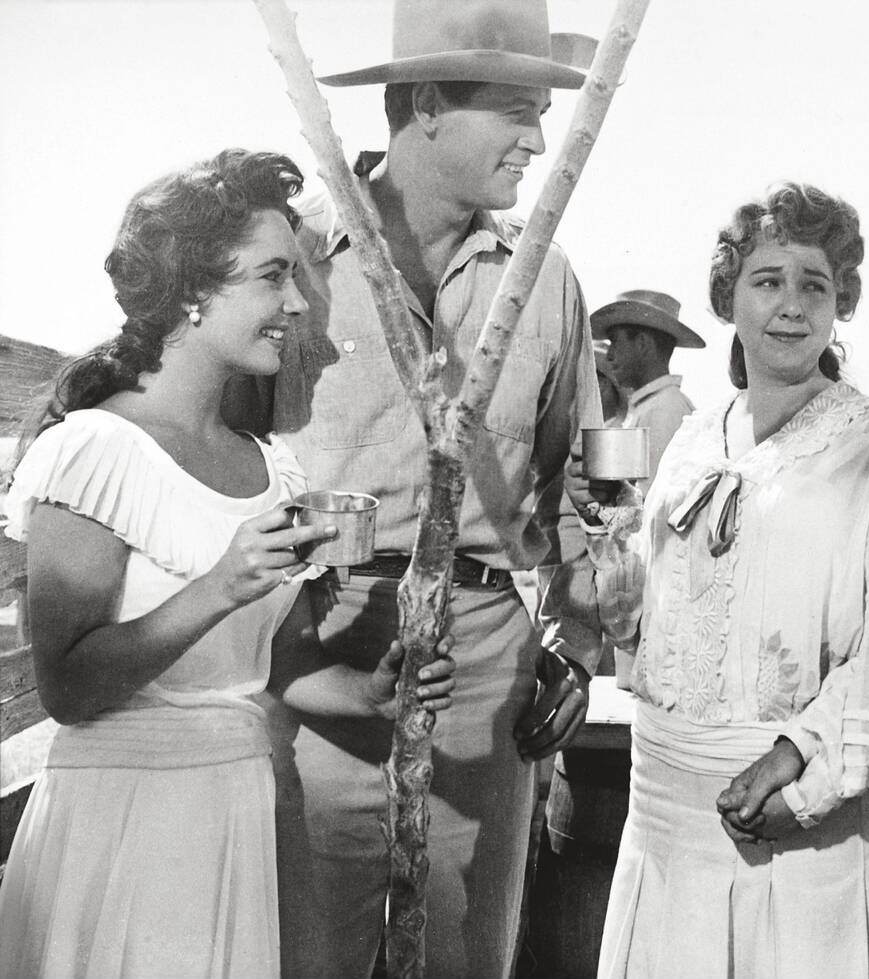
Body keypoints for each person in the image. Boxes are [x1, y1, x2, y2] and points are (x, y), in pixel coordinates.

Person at [220, 2, 607, 976]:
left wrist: (577, 641)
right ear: (426, 103)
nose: (540, 138)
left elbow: (589, 488)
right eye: (518, 109)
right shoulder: (285, 270)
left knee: (465, 957)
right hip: (310, 657)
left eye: (546, 112)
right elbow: (206, 478)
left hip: (487, 680)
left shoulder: (549, 279)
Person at [0, 149, 453, 979]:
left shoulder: (270, 464)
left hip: (241, 821)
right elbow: (67, 689)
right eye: (274, 278)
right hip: (130, 830)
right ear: (190, 291)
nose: (297, 303)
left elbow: (270, 665)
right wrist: (217, 587)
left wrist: (364, 693)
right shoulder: (95, 450)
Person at [570, 182, 869, 978]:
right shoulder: (692, 442)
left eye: (815, 284)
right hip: (665, 814)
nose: (791, 305)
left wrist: (806, 778)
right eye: (768, 280)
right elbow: (654, 623)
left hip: (794, 819)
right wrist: (611, 560)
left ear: (842, 300)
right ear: (729, 298)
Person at [591, 289, 705, 487]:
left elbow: (649, 505)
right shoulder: (647, 407)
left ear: (642, 344)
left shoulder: (664, 410)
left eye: (616, 342)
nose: (609, 355)